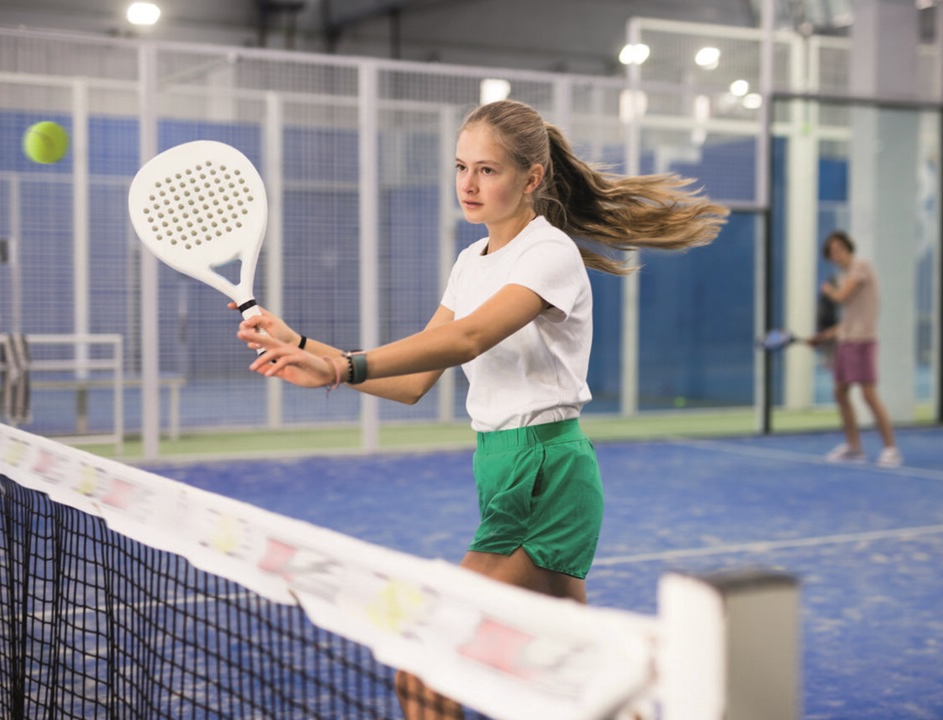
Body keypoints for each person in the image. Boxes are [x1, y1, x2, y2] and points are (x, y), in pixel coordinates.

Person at [235, 98, 728, 718]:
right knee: (579, 675)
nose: (468, 184)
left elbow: (470, 338)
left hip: (547, 475)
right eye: (461, 167)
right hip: (499, 471)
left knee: (430, 665)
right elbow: (416, 379)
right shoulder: (470, 262)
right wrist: (306, 347)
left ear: (533, 177)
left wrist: (345, 365)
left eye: (488, 170)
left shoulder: (549, 255)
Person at [808, 230, 902, 468]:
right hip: (845, 340)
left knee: (868, 395)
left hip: (863, 341)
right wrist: (823, 336)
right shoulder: (842, 276)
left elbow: (842, 298)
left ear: (849, 248)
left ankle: (891, 449)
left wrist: (829, 291)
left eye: (840, 248)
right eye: (832, 252)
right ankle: (854, 448)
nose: (837, 254)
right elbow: (848, 317)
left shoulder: (861, 268)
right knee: (840, 392)